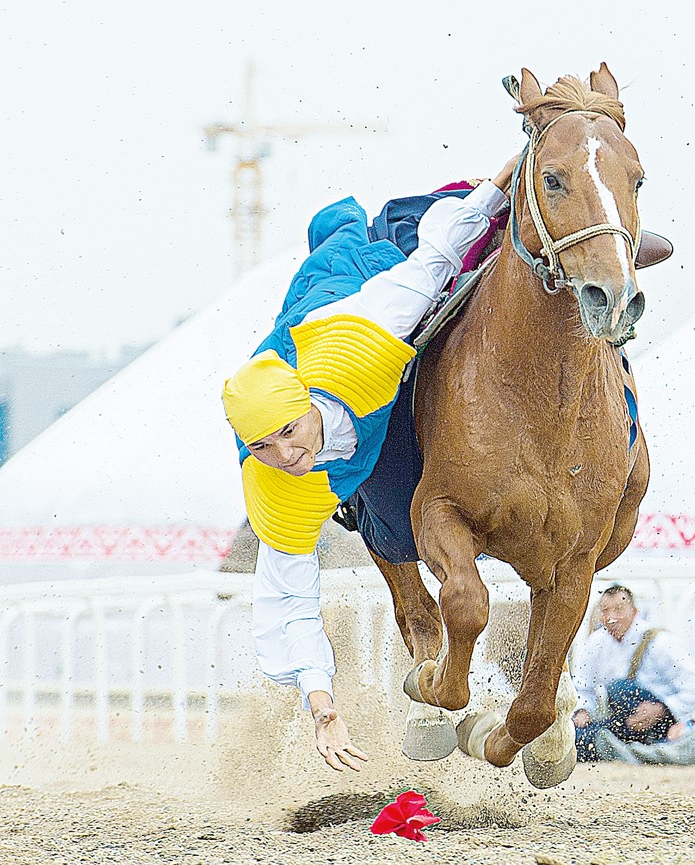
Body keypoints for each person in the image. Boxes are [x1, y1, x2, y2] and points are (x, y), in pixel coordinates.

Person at [221, 157, 516, 772]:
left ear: (306, 404)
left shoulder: (366, 332)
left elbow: (439, 252)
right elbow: (289, 601)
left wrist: (508, 174)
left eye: (288, 435)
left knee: (446, 252)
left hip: (348, 287)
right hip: (300, 343)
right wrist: (322, 707)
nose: (286, 459)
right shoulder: (276, 487)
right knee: (389, 526)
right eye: (265, 449)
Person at [572, 585, 695, 762]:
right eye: (605, 611)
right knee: (578, 736)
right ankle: (625, 750)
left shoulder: (660, 642)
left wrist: (661, 709)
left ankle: (634, 750)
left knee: (621, 689)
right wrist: (583, 710)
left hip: (661, 722)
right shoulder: (596, 642)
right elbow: (583, 688)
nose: (611, 618)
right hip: (623, 719)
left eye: (619, 610)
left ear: (635, 611)